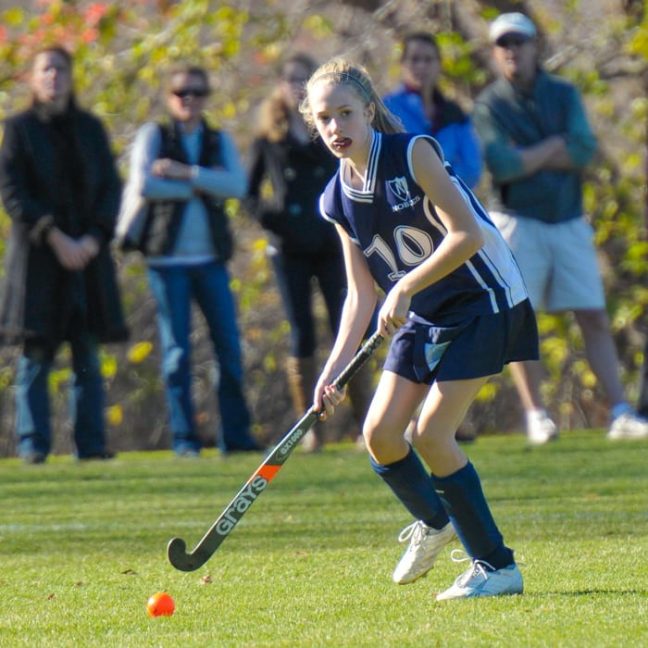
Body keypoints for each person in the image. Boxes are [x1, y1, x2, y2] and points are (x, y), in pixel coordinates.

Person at [301, 57, 537, 600]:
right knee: (381, 436)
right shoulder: (335, 198)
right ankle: (436, 521)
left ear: (368, 111)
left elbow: (468, 235)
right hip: (425, 311)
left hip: (486, 299)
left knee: (430, 434)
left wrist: (404, 286)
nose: (337, 127)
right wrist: (332, 371)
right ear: (314, 124)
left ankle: (496, 568)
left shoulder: (413, 153)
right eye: (325, 118)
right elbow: (360, 294)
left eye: (346, 113)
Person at [473, 12, 648, 443]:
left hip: (568, 218)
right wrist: (555, 147)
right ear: (497, 53)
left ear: (536, 47)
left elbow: (584, 149)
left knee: (592, 314)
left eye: (520, 42)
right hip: (516, 221)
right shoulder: (489, 104)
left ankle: (620, 411)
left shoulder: (563, 94)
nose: (512, 51)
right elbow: (502, 165)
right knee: (520, 318)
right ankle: (537, 415)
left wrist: (532, 154)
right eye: (504, 45)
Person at [0, 46, 128, 464]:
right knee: (35, 357)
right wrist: (55, 237)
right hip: (38, 261)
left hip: (87, 262)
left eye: (60, 68)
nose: (53, 76)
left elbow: (112, 188)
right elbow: (13, 193)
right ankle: (33, 446)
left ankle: (91, 446)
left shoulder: (90, 128)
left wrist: (91, 239)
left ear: (71, 77)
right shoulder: (18, 129)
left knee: (86, 354)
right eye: (45, 69)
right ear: (33, 78)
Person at [124, 64, 261, 456]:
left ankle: (235, 438)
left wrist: (184, 174)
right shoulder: (154, 135)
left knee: (228, 349)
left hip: (211, 261)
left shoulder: (217, 140)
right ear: (169, 97)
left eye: (198, 93)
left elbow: (236, 185)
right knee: (177, 353)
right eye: (182, 93)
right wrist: (202, 183)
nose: (190, 100)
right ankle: (185, 441)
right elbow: (144, 183)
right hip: (166, 262)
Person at [246, 53, 372, 451]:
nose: (298, 88)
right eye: (292, 81)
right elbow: (249, 193)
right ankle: (310, 426)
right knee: (301, 332)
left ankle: (364, 420)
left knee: (346, 326)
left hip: (330, 242)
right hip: (288, 248)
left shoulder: (329, 133)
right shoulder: (269, 138)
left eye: (305, 80)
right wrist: (275, 219)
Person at [383, 31, 482, 189]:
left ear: (439, 64)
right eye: (414, 59)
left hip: (454, 202)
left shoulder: (454, 113)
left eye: (428, 60)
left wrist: (439, 185)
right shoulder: (386, 110)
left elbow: (472, 170)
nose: (421, 66)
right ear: (402, 64)